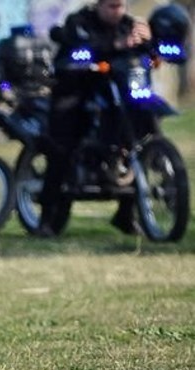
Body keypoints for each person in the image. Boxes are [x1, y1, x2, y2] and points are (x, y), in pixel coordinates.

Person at [40, 0, 151, 236]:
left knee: (143, 139)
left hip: (118, 93)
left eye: (120, 6)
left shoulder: (130, 25)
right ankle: (47, 219)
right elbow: (86, 44)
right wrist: (117, 44)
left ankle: (126, 214)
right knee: (61, 146)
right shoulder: (79, 22)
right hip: (76, 90)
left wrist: (150, 41)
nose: (117, 12)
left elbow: (146, 52)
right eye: (111, 6)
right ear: (99, 5)